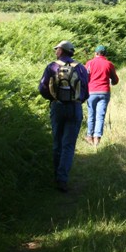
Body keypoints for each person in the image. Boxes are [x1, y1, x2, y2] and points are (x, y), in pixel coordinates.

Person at [38, 40, 89, 192]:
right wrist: (78, 101)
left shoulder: (52, 67)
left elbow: (42, 88)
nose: (56, 51)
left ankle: (56, 176)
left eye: (57, 49)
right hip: (74, 108)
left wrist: (54, 98)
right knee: (68, 145)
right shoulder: (80, 68)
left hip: (57, 107)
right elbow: (86, 90)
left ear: (61, 51)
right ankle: (62, 179)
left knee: (57, 143)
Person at [83, 44, 119, 147]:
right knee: (100, 116)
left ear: (95, 53)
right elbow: (115, 80)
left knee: (91, 114)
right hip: (104, 92)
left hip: (91, 92)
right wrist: (111, 82)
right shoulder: (109, 64)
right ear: (105, 54)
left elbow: (85, 78)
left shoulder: (89, 63)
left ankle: (89, 136)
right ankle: (97, 140)